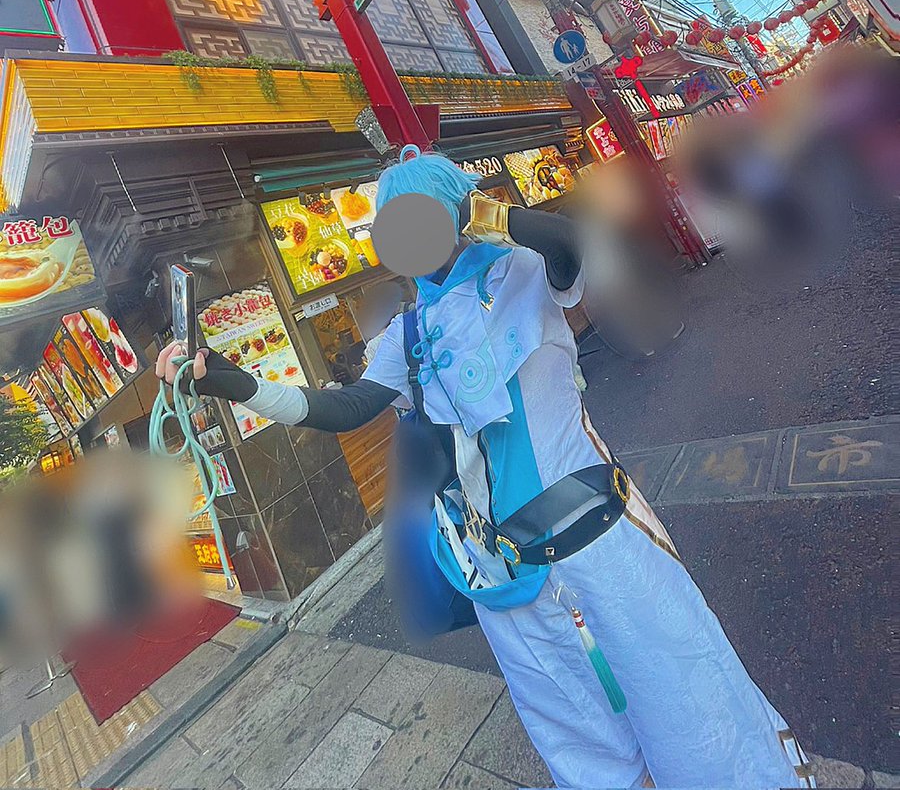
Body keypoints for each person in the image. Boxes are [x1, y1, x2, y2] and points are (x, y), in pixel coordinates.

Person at [158, 149, 813, 790]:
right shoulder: (406, 333)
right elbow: (343, 408)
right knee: (577, 737)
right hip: (503, 573)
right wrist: (231, 382)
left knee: (683, 694)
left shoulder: (526, 271)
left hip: (602, 537)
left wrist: (484, 214)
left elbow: (579, 246)